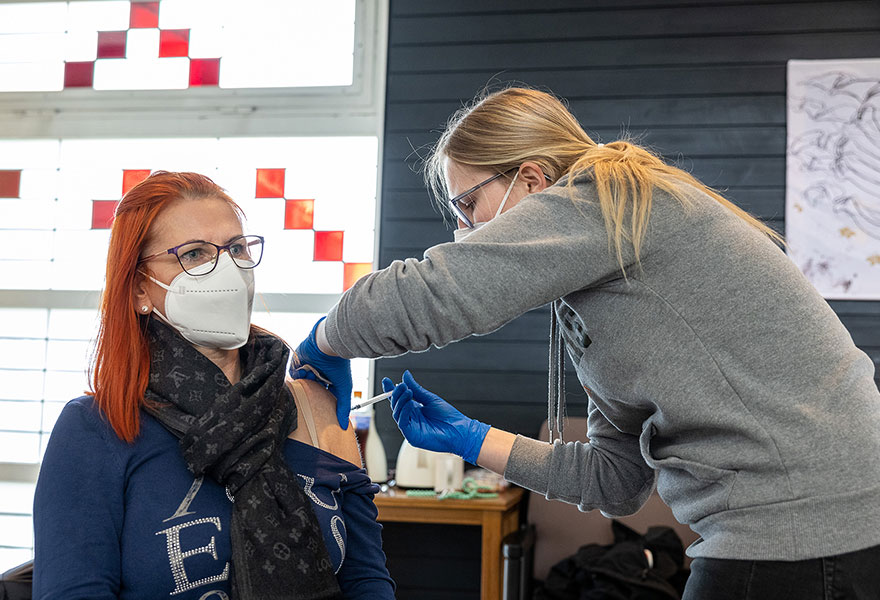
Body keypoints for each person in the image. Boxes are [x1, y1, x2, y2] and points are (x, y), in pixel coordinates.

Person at [292, 87, 880, 599]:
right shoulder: (611, 288)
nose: (466, 231)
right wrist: (472, 439)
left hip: (805, 524)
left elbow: (431, 293)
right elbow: (614, 481)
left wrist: (323, 342)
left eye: (469, 204)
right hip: (817, 524)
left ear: (532, 178)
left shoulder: (605, 200)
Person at [32, 171, 395, 600]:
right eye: (195, 254)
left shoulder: (313, 404)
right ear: (139, 290)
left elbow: (365, 580)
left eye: (237, 248)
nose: (227, 268)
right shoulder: (96, 428)